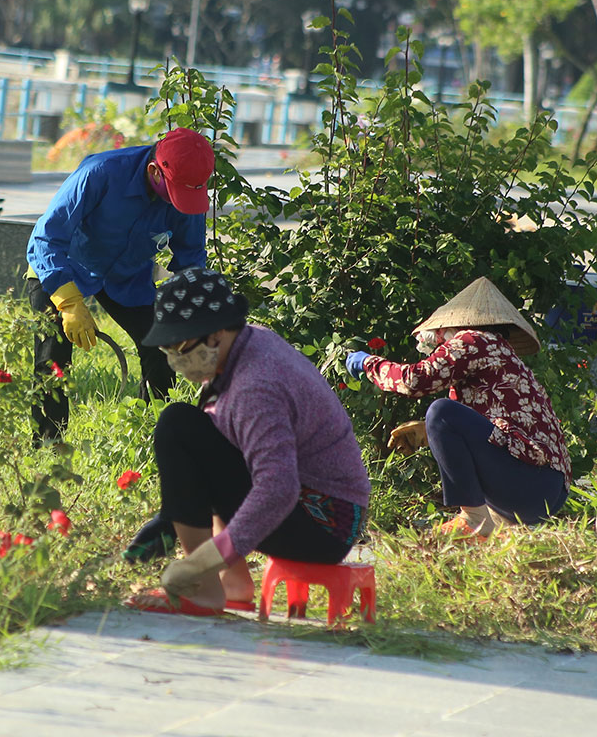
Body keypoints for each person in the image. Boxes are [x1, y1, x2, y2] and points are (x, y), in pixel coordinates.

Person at [125, 267, 371, 616]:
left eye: (181, 345)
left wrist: (204, 561)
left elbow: (278, 487)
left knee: (177, 425)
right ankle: (234, 585)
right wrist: (170, 518)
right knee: (195, 431)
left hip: (322, 525)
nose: (175, 358)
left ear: (217, 333)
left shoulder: (257, 384)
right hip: (320, 510)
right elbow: (220, 448)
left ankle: (204, 589)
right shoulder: (245, 347)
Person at [25, 127, 214, 443]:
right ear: (154, 170)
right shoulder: (99, 172)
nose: (181, 202)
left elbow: (191, 258)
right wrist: (69, 302)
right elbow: (46, 238)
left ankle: (146, 436)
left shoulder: (186, 194)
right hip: (64, 266)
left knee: (163, 346)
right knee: (53, 355)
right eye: (175, 192)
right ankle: (48, 443)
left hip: (127, 277)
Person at [345, 277, 570, 540]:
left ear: (458, 323)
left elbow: (414, 380)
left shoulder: (474, 339)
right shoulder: (502, 356)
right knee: (442, 416)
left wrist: (367, 363)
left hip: (530, 481)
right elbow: (490, 432)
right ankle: (488, 522)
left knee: (441, 411)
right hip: (548, 490)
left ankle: (474, 517)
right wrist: (429, 432)